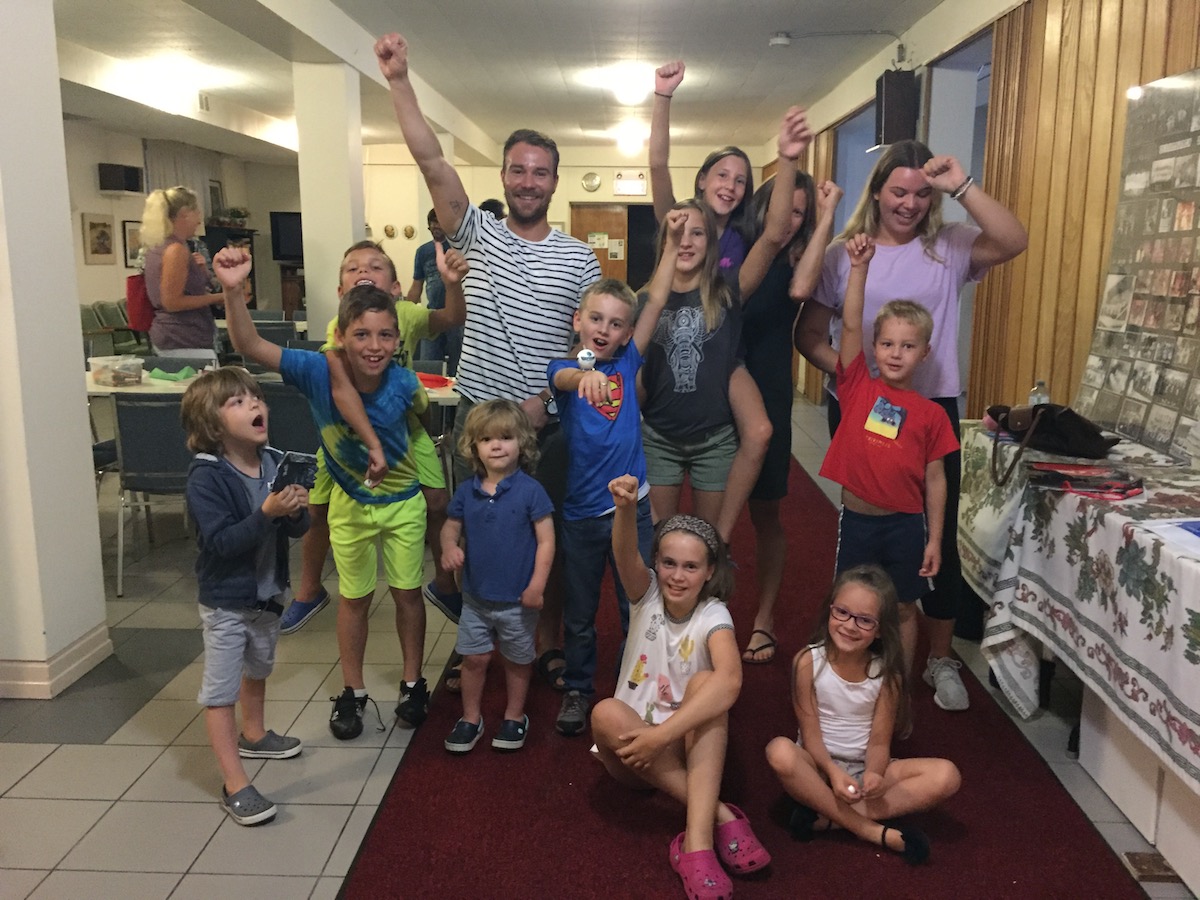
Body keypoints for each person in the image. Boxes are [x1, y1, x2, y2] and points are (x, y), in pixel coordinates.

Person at [376, 31, 601, 693]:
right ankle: (479, 642)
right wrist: (398, 82)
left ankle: (549, 641)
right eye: (518, 169)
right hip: (479, 415)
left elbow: (591, 347)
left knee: (545, 536)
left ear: (555, 181)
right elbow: (432, 162)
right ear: (504, 176)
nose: (529, 181)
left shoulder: (580, 258)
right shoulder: (474, 233)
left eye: (541, 171)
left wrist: (550, 399)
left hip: (550, 419)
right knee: (473, 533)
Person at [794, 140, 1028, 710]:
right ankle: (857, 644)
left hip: (931, 410)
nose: (910, 203)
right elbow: (808, 335)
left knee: (935, 536)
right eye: (898, 191)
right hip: (861, 406)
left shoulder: (948, 245)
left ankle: (939, 659)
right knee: (867, 528)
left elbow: (1014, 239)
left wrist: (962, 183)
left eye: (923, 193)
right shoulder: (846, 254)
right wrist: (860, 375)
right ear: (877, 191)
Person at [215, 246, 431, 741]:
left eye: (384, 335)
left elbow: (418, 418)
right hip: (351, 505)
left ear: (398, 339)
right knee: (352, 598)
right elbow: (248, 342)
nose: (373, 346)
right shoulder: (316, 369)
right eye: (361, 335)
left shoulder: (405, 381)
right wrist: (233, 290)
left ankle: (413, 682)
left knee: (406, 594)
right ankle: (352, 691)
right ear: (341, 337)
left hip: (402, 504)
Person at [279, 240, 467, 669]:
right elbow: (339, 387)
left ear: (397, 287)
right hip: (346, 435)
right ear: (342, 289)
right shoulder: (337, 328)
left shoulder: (407, 315)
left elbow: (452, 317)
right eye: (353, 267)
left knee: (437, 500)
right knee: (318, 508)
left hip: (404, 426)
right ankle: (309, 591)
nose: (364, 270)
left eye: (376, 265)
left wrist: (453, 285)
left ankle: (442, 582)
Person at [592, 475, 770, 899]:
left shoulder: (714, 615)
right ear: (656, 564)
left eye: (691, 566)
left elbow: (730, 681)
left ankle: (697, 847)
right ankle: (722, 815)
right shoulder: (646, 595)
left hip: (680, 745)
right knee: (604, 713)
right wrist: (626, 508)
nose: (677, 575)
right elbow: (623, 554)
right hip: (634, 750)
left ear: (710, 572)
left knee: (710, 685)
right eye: (668, 563)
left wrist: (663, 736)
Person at [639, 107, 807, 538]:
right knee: (661, 539)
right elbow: (657, 166)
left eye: (700, 233)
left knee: (706, 538)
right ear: (666, 234)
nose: (689, 240)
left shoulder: (728, 292)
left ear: (712, 243)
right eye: (681, 231)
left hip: (712, 433)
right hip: (660, 432)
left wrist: (787, 160)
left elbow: (772, 235)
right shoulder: (646, 299)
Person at [546, 210, 682, 737]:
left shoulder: (627, 363)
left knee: (638, 604)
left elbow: (657, 299)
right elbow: (560, 375)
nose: (604, 329)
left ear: (628, 333)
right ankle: (580, 689)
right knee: (579, 612)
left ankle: (634, 685)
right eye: (595, 318)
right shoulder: (566, 371)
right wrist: (582, 375)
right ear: (578, 321)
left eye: (616, 323)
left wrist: (670, 244)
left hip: (633, 509)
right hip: (580, 515)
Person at [818, 234, 960, 678]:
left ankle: (896, 684)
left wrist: (934, 539)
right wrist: (858, 268)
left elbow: (937, 481)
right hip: (858, 521)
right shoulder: (857, 384)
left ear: (925, 352)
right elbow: (853, 322)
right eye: (888, 344)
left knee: (901, 608)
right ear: (874, 347)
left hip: (904, 525)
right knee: (849, 604)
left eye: (908, 345)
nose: (896, 353)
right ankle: (843, 680)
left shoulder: (932, 413)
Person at [181, 367, 309, 826]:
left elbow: (295, 528)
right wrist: (268, 512)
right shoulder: (207, 478)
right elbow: (222, 543)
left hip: (267, 596)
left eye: (256, 398)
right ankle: (234, 783)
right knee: (220, 692)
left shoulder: (274, 462)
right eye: (237, 402)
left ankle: (253, 733)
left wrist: (295, 511)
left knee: (258, 669)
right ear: (212, 425)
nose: (255, 406)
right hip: (227, 602)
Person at [765, 565, 961, 863]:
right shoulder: (807, 662)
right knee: (780, 751)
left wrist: (874, 774)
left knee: (947, 776)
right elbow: (810, 733)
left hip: (861, 769)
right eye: (841, 612)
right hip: (817, 769)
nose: (850, 626)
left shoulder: (885, 675)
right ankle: (872, 831)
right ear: (829, 611)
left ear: (881, 628)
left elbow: (880, 743)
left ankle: (827, 816)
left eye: (865, 620)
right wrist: (832, 772)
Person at [737, 174, 842, 664]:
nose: (792, 218)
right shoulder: (736, 243)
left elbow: (801, 290)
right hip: (722, 384)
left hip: (770, 384)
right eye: (786, 209)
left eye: (802, 212)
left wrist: (825, 219)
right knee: (709, 509)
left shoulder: (802, 256)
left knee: (766, 512)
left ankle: (764, 617)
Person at [440, 400, 555, 753]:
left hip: (518, 599)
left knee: (518, 660)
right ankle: (471, 718)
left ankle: (514, 715)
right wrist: (448, 547)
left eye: (505, 437)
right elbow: (450, 526)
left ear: (522, 442)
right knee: (474, 659)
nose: (496, 445)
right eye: (487, 439)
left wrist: (537, 585)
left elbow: (546, 540)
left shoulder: (531, 491)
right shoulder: (467, 491)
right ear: (473, 446)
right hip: (476, 597)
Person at [140, 186, 222, 360]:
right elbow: (172, 302)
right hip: (182, 338)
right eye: (197, 212)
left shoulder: (159, 246)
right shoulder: (175, 250)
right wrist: (222, 297)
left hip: (175, 338)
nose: (199, 220)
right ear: (185, 213)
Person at [407, 208, 463, 374]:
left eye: (439, 222)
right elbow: (417, 285)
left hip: (456, 318)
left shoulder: (458, 249)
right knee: (428, 364)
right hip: (432, 315)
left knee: (457, 365)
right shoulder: (423, 252)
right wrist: (404, 311)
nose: (436, 226)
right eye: (433, 223)